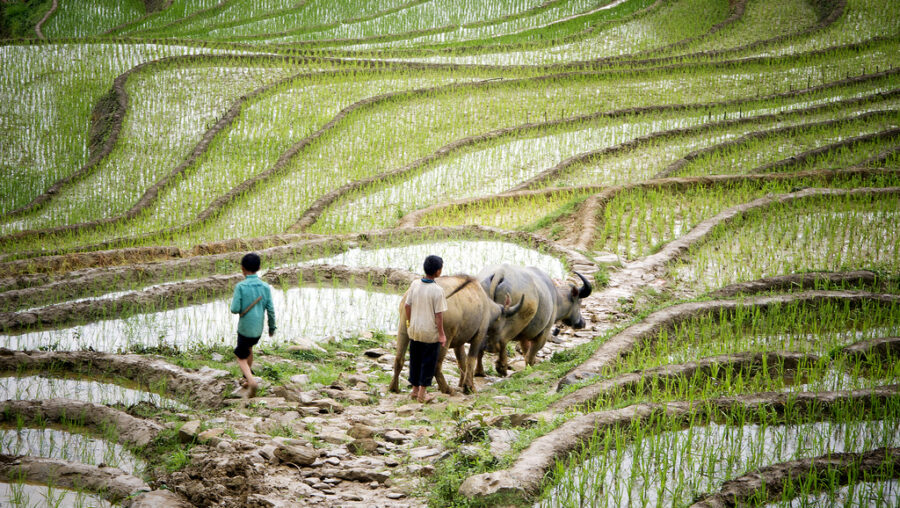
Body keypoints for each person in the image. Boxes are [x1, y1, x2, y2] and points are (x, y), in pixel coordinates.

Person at [230, 252, 276, 397]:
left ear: (242, 268)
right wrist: (272, 327)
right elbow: (271, 309)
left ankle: (251, 381)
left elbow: (234, 309)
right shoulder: (265, 286)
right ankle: (246, 379)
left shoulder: (241, 286)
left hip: (245, 328)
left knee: (240, 356)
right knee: (249, 349)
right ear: (259, 267)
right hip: (258, 329)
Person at [404, 254, 448, 404]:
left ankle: (414, 389)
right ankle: (423, 393)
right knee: (428, 362)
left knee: (415, 360)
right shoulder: (437, 291)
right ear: (438, 272)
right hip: (429, 333)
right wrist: (441, 334)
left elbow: (407, 306)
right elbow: (439, 316)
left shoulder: (415, 284)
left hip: (415, 330)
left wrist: (410, 322)